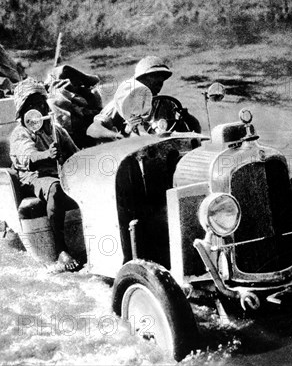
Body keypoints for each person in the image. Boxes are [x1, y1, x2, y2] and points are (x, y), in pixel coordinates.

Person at [9, 79, 81, 272]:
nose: (38, 108)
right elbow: (30, 158)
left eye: (41, 102)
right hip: (34, 178)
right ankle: (60, 250)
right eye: (31, 104)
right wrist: (47, 155)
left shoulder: (56, 130)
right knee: (55, 188)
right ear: (23, 110)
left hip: (60, 174)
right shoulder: (21, 133)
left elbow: (76, 154)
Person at [86, 56, 173, 141]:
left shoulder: (165, 103)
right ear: (141, 79)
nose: (160, 81)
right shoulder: (121, 102)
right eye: (155, 75)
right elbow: (93, 129)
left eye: (162, 76)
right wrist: (116, 136)